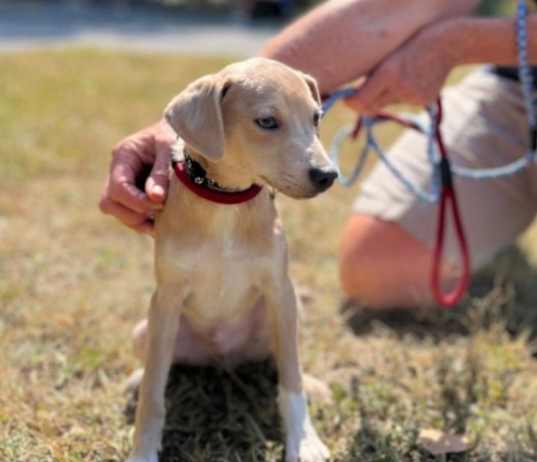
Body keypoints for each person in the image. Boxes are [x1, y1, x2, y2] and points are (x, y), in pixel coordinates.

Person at [100, 0, 537, 309]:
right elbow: (380, 13)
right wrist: (180, 128)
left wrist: (459, 44)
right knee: (377, 269)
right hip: (521, 86)